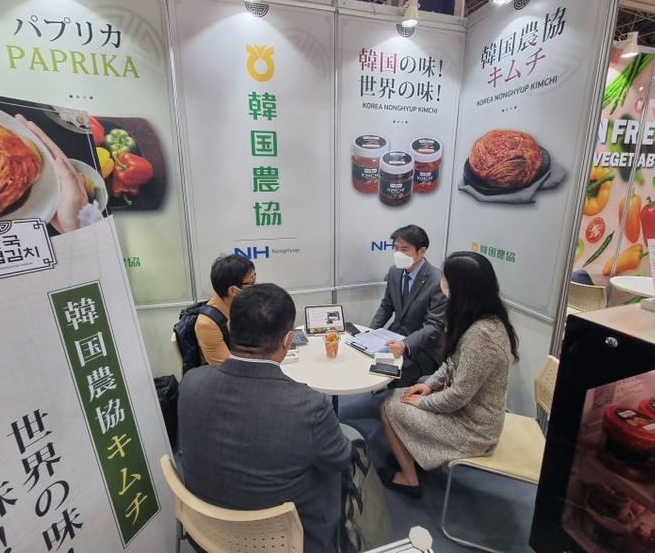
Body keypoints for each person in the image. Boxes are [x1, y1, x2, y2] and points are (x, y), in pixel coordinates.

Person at [178, 283, 352, 553]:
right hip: (283, 541)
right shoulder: (310, 406)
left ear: (230, 328)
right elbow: (341, 458)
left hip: (206, 532)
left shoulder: (191, 382)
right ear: (288, 340)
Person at [378, 251, 519, 499]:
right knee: (402, 395)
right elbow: (452, 362)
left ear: (462, 288)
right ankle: (410, 455)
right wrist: (429, 385)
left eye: (446, 278)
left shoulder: (482, 335)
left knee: (389, 406)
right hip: (462, 410)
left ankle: (409, 479)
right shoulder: (478, 318)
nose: (441, 282)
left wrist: (423, 402)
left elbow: (459, 396)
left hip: (473, 428)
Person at [370, 224, 447, 387]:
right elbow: (386, 306)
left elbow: (434, 326)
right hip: (394, 335)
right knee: (366, 357)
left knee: (398, 376)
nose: (399, 254)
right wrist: (370, 332)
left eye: (405, 249)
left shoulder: (437, 281)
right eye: (396, 248)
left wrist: (405, 345)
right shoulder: (395, 271)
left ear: (421, 251)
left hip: (422, 348)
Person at [196, 254, 256, 366]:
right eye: (251, 283)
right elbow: (227, 368)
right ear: (233, 290)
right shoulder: (207, 324)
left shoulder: (242, 304)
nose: (255, 287)